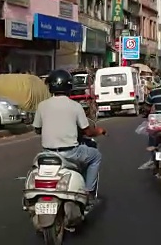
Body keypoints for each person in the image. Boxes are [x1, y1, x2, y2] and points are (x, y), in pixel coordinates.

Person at [33, 69, 106, 203]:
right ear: (69, 86)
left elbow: (37, 129)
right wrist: (100, 130)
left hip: (47, 153)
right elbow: (87, 132)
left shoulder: (42, 106)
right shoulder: (75, 106)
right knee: (96, 156)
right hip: (71, 153)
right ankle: (88, 193)